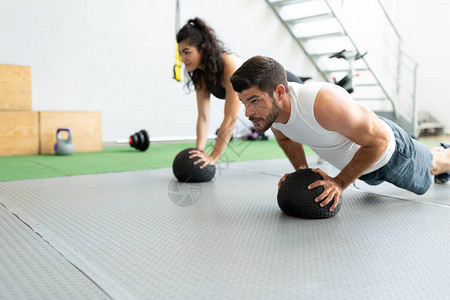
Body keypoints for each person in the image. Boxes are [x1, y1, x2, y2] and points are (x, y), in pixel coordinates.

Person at [230, 55, 450, 211]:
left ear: (279, 92)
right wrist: (302, 172)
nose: (248, 112)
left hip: (391, 154)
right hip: (363, 166)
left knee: (434, 166)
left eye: (254, 100)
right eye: (243, 102)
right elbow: (286, 138)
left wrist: (340, 183)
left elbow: (380, 141)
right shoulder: (272, 115)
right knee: (430, 160)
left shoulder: (322, 104)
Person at [176, 18, 302, 168]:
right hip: (270, 97)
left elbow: (230, 118)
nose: (183, 59)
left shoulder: (229, 65)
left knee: (303, 130)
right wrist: (199, 151)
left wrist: (213, 157)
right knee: (287, 135)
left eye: (187, 52)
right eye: (180, 53)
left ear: (202, 48)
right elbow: (203, 117)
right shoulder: (200, 75)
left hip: (283, 87)